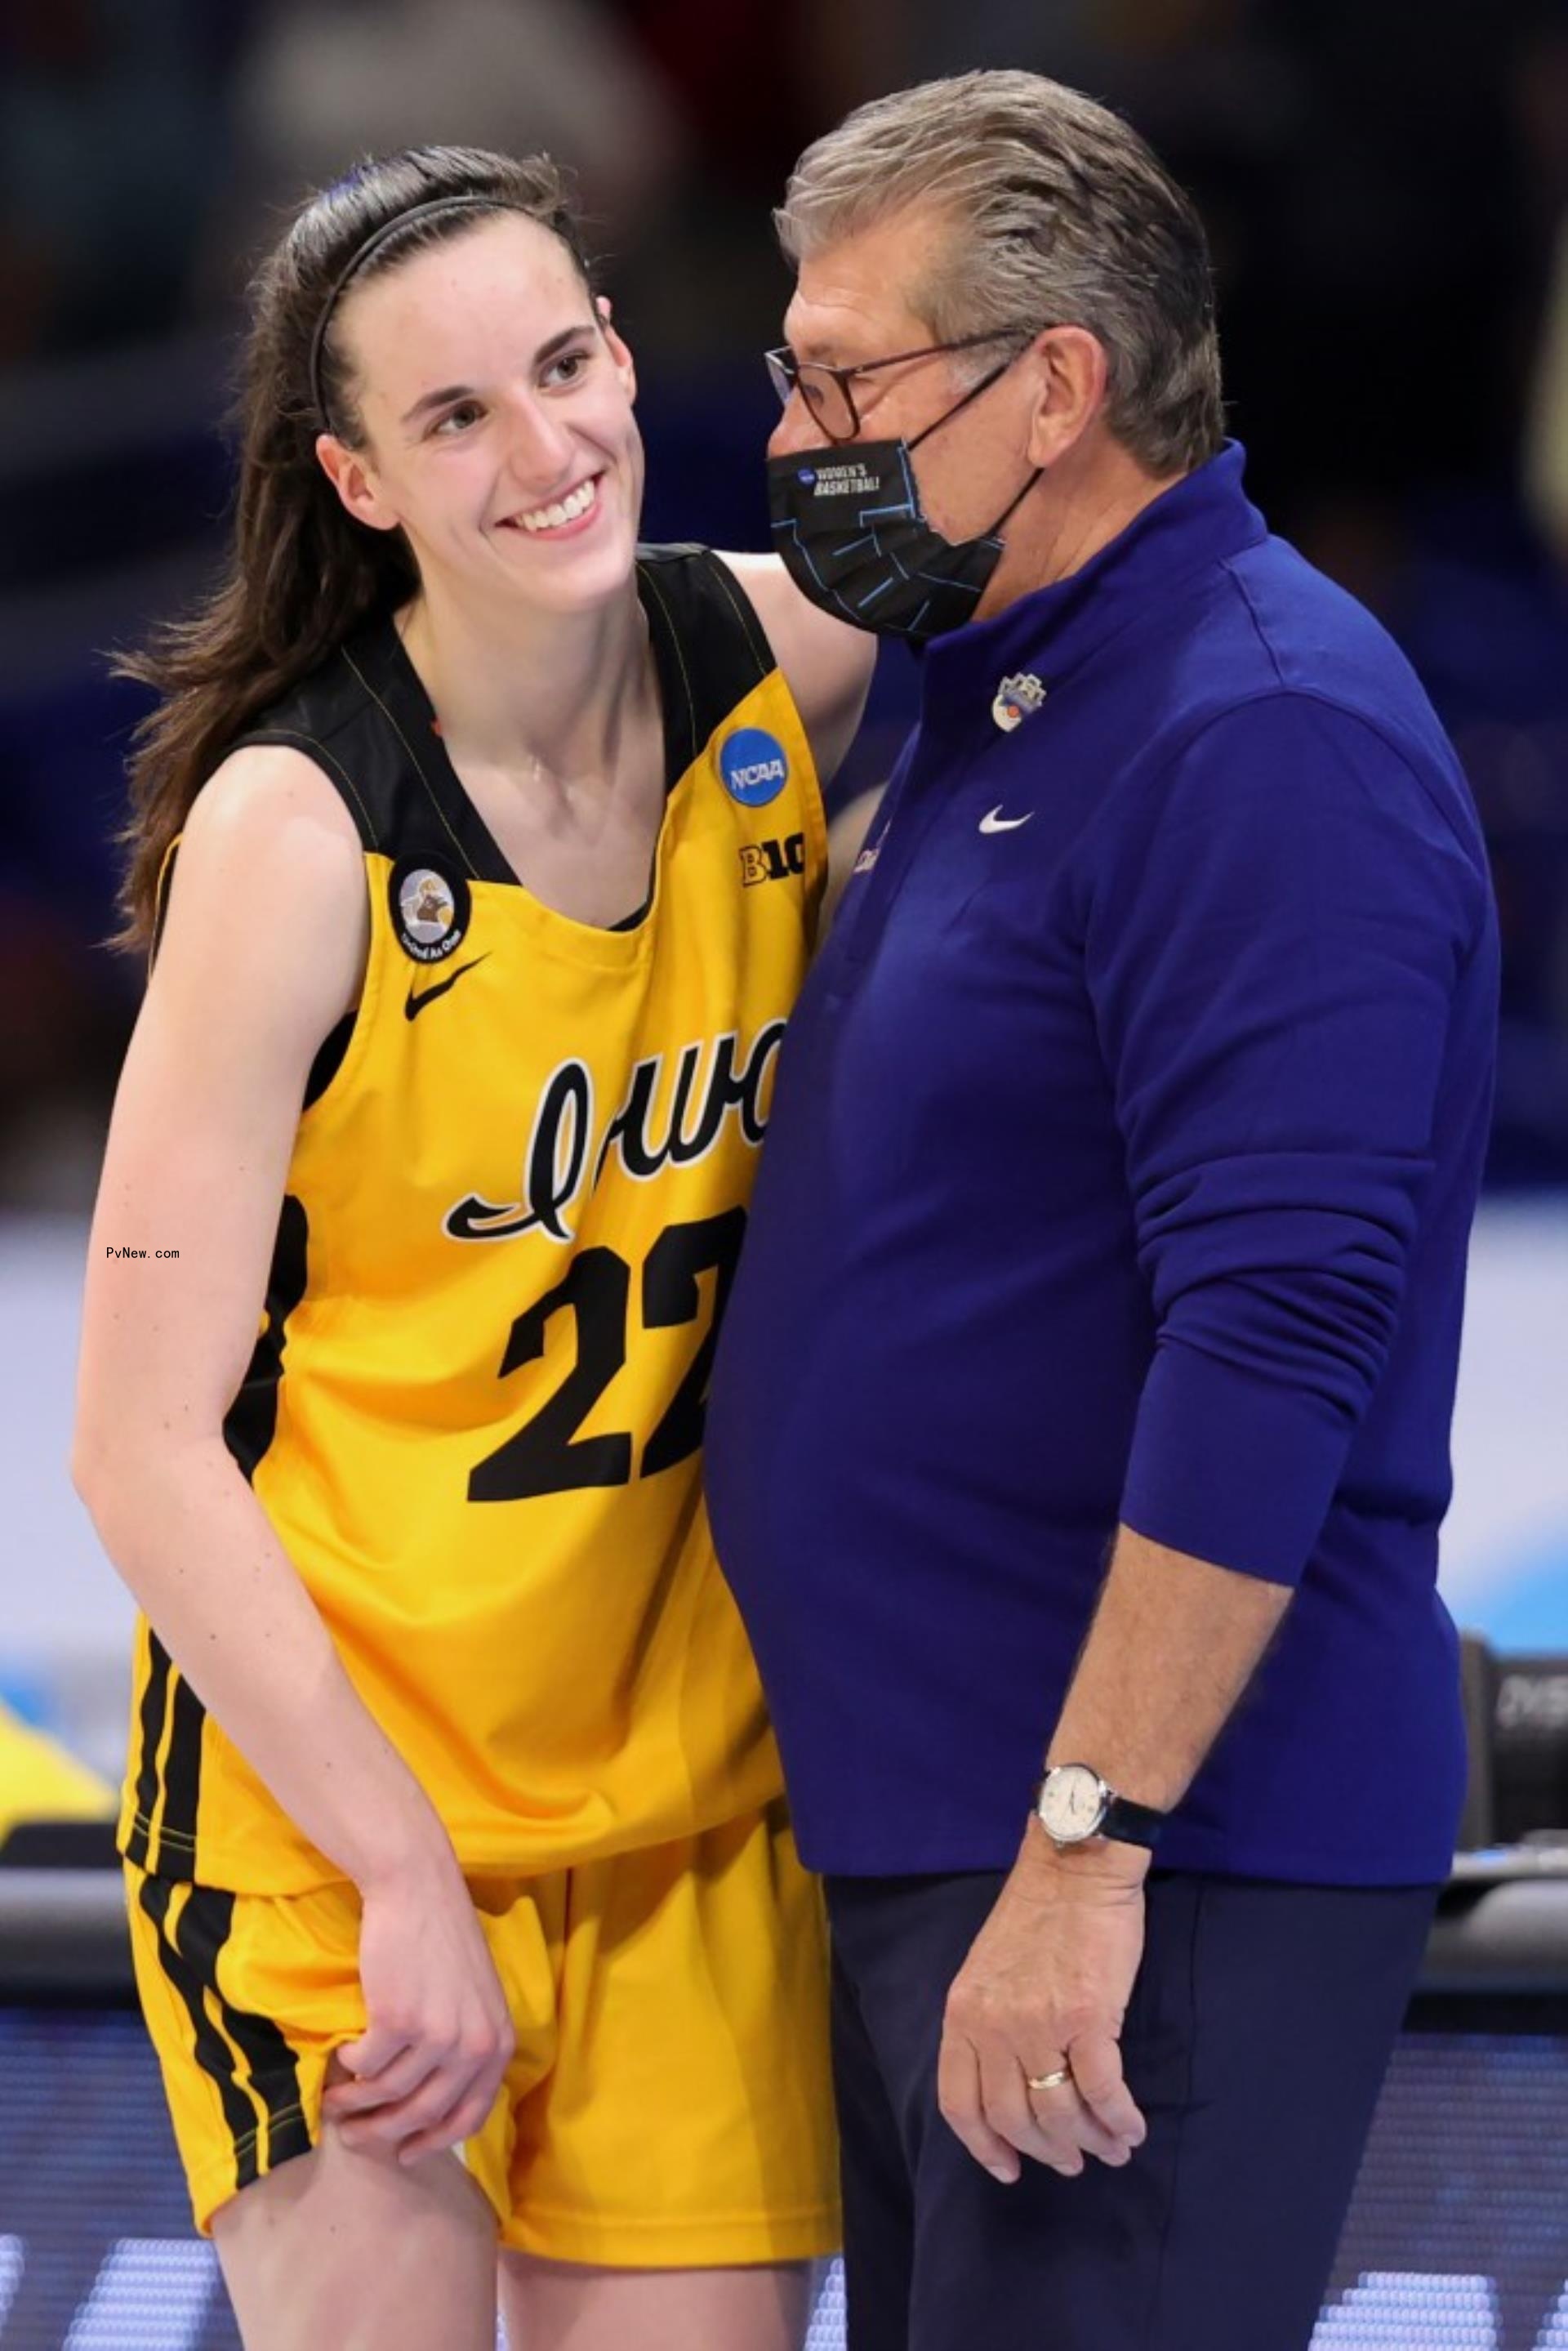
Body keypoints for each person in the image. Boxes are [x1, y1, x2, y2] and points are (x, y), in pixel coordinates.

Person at [706, 69, 1499, 2351]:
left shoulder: (1262, 735)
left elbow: (1273, 1335)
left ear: (1052, 388)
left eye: (845, 376)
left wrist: (1084, 1843)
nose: (795, 436)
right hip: (940, 1833)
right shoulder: (997, 695)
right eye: (792, 376)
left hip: (1141, 1866)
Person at [71, 145, 871, 2351]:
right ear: (356, 477)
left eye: (565, 363)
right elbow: (138, 1447)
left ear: (625, 352)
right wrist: (404, 1872)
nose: (546, 450)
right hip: (336, 1810)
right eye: (454, 420)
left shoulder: (776, 657)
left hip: (688, 1807)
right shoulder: (292, 834)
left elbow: (1094, 591)